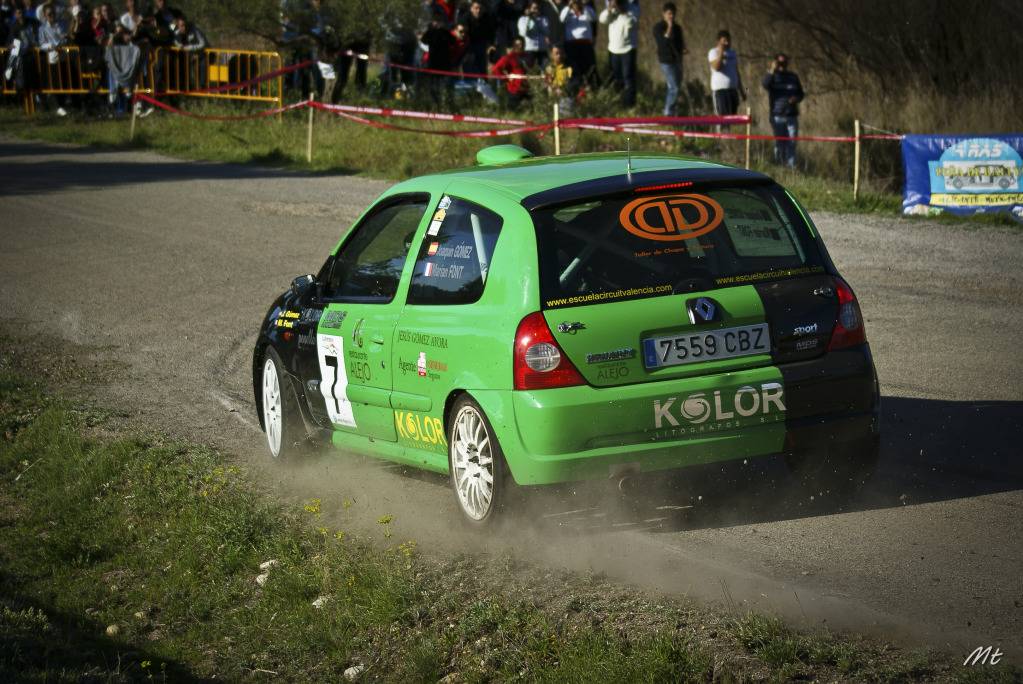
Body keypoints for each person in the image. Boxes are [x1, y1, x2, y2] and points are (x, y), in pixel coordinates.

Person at [761, 52, 804, 167]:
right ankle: (779, 166)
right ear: (775, 62)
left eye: (784, 62)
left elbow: (801, 94)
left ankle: (791, 168)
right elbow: (765, 84)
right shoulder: (772, 77)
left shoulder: (793, 77)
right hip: (777, 115)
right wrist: (772, 70)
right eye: (780, 62)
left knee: (792, 142)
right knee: (780, 142)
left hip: (792, 115)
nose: (782, 64)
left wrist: (796, 98)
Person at [598, 0, 636, 107]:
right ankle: (617, 102)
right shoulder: (612, 12)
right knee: (615, 78)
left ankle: (629, 105)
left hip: (627, 50)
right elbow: (602, 19)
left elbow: (631, 23)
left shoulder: (631, 9)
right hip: (613, 50)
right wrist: (610, 9)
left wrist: (622, 11)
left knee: (628, 78)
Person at [652, 1, 685, 116]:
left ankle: (672, 110)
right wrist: (669, 27)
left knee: (675, 86)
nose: (671, 16)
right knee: (674, 87)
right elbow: (663, 42)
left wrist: (682, 52)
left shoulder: (678, 28)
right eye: (669, 13)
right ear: (664, 14)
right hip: (666, 61)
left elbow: (680, 44)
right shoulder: (658, 27)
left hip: (677, 60)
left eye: (673, 14)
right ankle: (668, 111)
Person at [420, 10, 454, 106]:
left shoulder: (446, 33)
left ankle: (445, 104)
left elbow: (453, 41)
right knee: (432, 87)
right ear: (432, 22)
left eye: (440, 21)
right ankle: (434, 104)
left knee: (445, 86)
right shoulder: (430, 32)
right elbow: (423, 41)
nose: (438, 23)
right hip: (433, 64)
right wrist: (432, 31)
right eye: (436, 21)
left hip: (445, 64)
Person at [707, 29, 743, 117]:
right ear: (719, 41)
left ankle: (730, 131)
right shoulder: (713, 52)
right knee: (722, 119)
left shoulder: (733, 53)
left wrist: (742, 90)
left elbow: (736, 72)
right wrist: (721, 53)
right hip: (720, 91)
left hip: (733, 90)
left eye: (728, 41)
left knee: (732, 117)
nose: (727, 43)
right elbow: (716, 67)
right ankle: (721, 131)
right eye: (724, 41)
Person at [559, 0, 595, 86]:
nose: (576, 4)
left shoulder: (587, 10)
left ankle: (588, 90)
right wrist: (569, 5)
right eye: (575, 3)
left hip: (585, 44)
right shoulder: (567, 11)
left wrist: (583, 6)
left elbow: (593, 18)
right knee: (573, 70)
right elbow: (562, 19)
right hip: (571, 44)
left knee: (588, 69)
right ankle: (574, 90)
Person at [490, 35, 528, 108]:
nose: (520, 46)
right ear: (514, 46)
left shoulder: (527, 56)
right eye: (517, 44)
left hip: (527, 89)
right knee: (513, 114)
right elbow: (495, 69)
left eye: (522, 44)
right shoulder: (509, 57)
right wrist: (506, 78)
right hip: (515, 90)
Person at [516, 0, 548, 69]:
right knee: (530, 70)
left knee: (545, 70)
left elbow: (547, 31)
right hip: (529, 49)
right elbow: (524, 32)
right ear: (529, 9)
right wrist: (529, 19)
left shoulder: (543, 19)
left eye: (537, 8)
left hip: (542, 49)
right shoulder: (523, 19)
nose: (536, 10)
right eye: (534, 8)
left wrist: (537, 21)